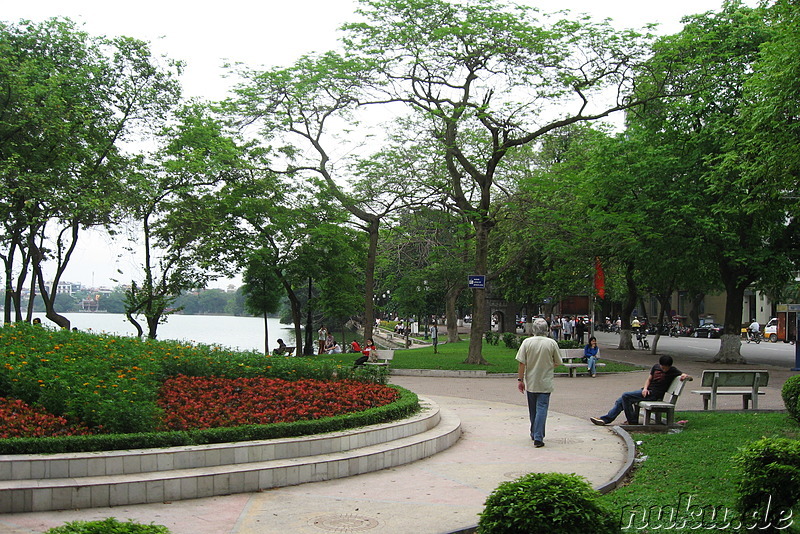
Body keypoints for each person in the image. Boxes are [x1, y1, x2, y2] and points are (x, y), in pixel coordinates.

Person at [590, 355, 691, 426]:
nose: (663, 369)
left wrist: (685, 376)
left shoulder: (673, 371)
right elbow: (649, 379)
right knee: (621, 400)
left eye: (665, 368)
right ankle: (605, 419)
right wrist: (645, 388)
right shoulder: (656, 367)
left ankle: (632, 421)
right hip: (646, 391)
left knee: (626, 396)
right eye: (662, 367)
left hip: (655, 395)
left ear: (669, 366)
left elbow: (688, 377)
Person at [516, 317, 563, 448]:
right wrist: (548, 366)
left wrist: (520, 380)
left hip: (531, 381)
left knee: (533, 410)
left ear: (533, 329)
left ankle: (534, 432)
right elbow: (558, 362)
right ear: (547, 329)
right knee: (542, 408)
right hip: (545, 381)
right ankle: (538, 436)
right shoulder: (551, 343)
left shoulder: (527, 342)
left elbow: (521, 363)